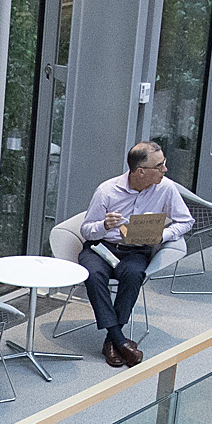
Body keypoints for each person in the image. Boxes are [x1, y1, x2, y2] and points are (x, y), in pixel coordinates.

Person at [78, 141, 193, 370]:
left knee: (134, 275)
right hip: (102, 247)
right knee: (93, 275)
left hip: (135, 250)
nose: (165, 170)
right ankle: (119, 339)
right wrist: (103, 225)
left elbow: (186, 221)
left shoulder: (166, 188)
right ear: (140, 171)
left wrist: (163, 234)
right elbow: (86, 229)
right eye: (159, 166)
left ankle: (112, 341)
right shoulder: (107, 190)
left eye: (164, 164)